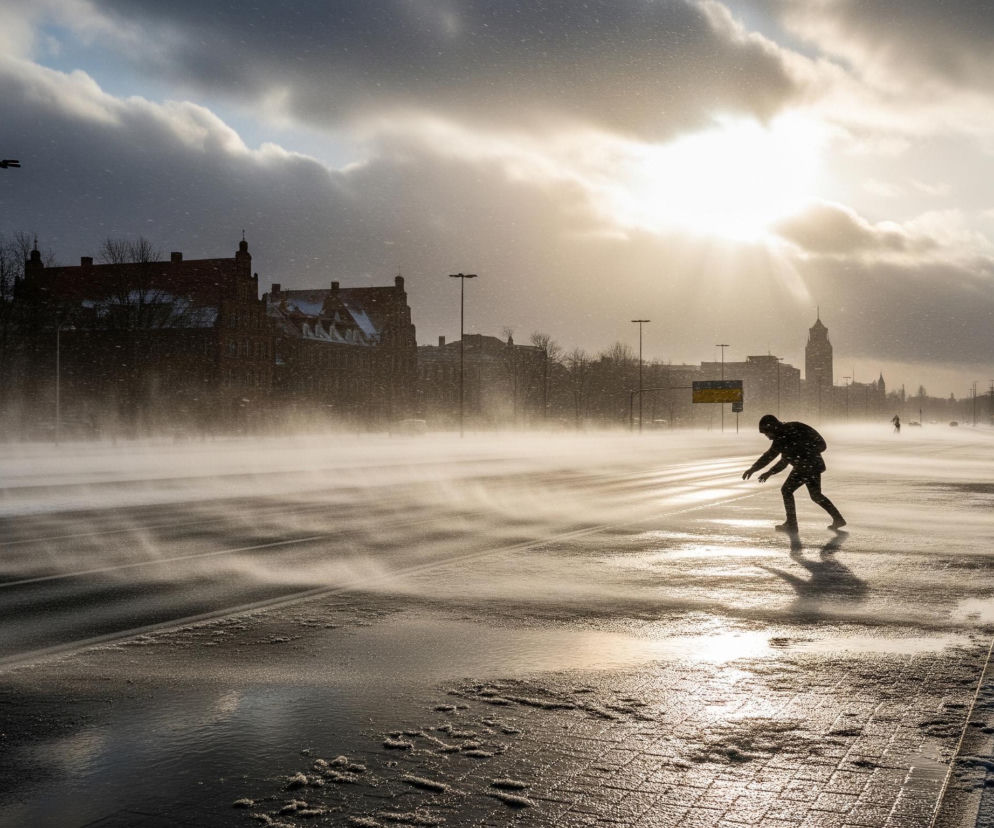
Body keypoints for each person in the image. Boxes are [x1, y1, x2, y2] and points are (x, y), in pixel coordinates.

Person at [742, 414, 847, 533]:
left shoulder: (787, 434)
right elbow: (783, 460)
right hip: (811, 465)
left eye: (767, 433)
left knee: (787, 490)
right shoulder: (787, 432)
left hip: (806, 466)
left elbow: (822, 445)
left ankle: (792, 524)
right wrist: (766, 472)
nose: (767, 437)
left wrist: (804, 453)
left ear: (772, 428)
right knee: (815, 495)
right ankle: (838, 519)